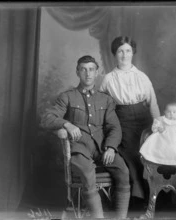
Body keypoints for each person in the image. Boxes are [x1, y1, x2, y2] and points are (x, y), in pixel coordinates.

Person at [40, 55, 130, 218]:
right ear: (77, 72)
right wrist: (67, 124)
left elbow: (114, 127)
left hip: (103, 148)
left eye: (91, 69)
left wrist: (110, 147)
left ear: (97, 72)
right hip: (80, 149)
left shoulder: (106, 99)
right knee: (88, 174)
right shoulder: (67, 96)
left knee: (123, 170)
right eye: (83, 69)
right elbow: (47, 118)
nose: (88, 74)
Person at [99, 36, 160, 206]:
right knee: (131, 158)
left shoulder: (142, 77)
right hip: (122, 121)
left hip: (144, 121)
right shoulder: (108, 79)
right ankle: (135, 203)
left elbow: (152, 103)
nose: (124, 55)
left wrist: (157, 126)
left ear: (133, 53)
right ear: (114, 54)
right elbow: (101, 105)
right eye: (120, 51)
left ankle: (151, 203)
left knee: (147, 157)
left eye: (128, 51)